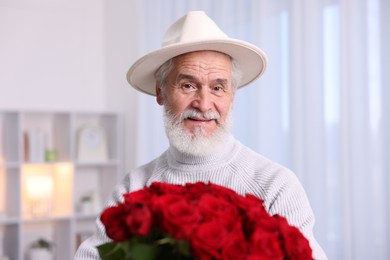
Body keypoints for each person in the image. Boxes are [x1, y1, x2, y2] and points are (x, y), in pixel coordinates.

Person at [75, 10, 327, 260]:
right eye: (188, 85)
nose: (204, 104)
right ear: (161, 92)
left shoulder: (276, 186)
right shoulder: (134, 188)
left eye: (218, 88)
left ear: (232, 96)